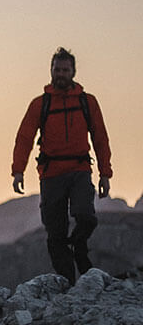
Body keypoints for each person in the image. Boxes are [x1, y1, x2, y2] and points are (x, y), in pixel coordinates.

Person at [11, 47, 112, 285]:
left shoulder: (88, 102)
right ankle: (67, 282)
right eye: (57, 70)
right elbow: (24, 138)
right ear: (51, 71)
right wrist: (18, 170)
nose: (61, 74)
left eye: (65, 70)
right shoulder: (40, 104)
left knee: (86, 217)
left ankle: (79, 247)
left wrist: (105, 173)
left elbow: (100, 138)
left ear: (73, 72)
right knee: (55, 232)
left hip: (79, 170)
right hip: (51, 174)